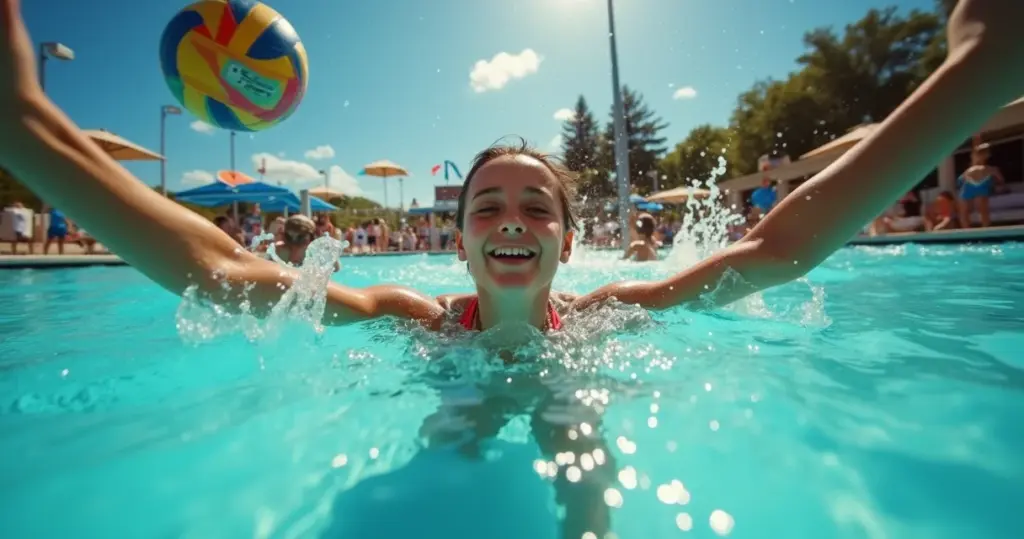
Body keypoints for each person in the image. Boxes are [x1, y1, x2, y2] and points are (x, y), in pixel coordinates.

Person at [1, 0, 1022, 327]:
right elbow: (225, 272)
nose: (513, 220)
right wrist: (27, 128)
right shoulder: (414, 317)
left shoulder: (611, 309)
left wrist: (976, 75)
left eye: (538, 206)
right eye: (487, 206)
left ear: (569, 241)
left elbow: (778, 248)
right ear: (458, 242)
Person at [957, 141, 1006, 227]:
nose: (979, 155)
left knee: (982, 210)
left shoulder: (991, 169)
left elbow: (1000, 181)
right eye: (979, 153)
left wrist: (997, 186)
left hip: (980, 184)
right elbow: (960, 180)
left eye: (982, 153)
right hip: (969, 184)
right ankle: (967, 231)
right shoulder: (970, 169)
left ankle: (985, 229)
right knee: (964, 212)